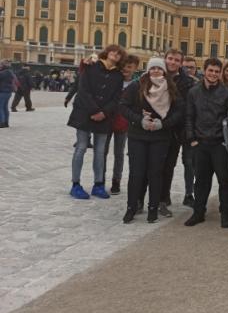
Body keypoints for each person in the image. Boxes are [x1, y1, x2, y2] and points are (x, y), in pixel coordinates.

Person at [119, 57, 184, 224]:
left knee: (156, 173)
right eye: (153, 68)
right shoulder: (137, 85)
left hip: (160, 137)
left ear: (164, 71)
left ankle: (153, 208)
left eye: (159, 68)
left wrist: (163, 123)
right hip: (138, 136)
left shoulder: (171, 87)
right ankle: (131, 207)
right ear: (148, 70)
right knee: (136, 173)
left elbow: (179, 111)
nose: (156, 71)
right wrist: (138, 120)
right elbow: (123, 106)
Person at [67, 45, 126, 199]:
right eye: (113, 51)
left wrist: (104, 113)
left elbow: (116, 98)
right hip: (84, 112)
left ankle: (98, 185)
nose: (115, 54)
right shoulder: (91, 67)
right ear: (107, 52)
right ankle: (75, 184)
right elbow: (83, 90)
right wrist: (94, 111)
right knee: (81, 147)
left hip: (104, 117)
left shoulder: (118, 76)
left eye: (119, 54)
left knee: (100, 151)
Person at [184, 58, 228, 227]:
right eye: (210, 70)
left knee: (225, 180)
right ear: (204, 71)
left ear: (220, 73)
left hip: (220, 143)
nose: (213, 74)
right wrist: (192, 139)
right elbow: (189, 116)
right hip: (200, 143)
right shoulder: (194, 92)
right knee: (201, 180)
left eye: (216, 71)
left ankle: (226, 212)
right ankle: (198, 212)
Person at [157, 49, 196, 216]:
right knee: (160, 165)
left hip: (178, 129)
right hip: (160, 129)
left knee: (177, 164)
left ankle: (179, 196)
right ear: (165, 59)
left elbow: (187, 107)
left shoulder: (188, 82)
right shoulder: (156, 75)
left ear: (181, 63)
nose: (172, 62)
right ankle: (160, 197)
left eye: (176, 60)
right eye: (170, 59)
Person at [106, 54, 140, 194]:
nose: (126, 69)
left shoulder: (137, 85)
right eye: (124, 66)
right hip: (107, 121)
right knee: (102, 152)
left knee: (119, 153)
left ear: (135, 68)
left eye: (129, 67)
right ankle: (99, 180)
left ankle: (116, 180)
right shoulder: (114, 80)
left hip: (124, 123)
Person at [180, 55, 201, 207]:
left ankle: (189, 193)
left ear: (196, 69)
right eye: (185, 67)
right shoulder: (175, 82)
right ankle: (163, 196)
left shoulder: (199, 85)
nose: (188, 70)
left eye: (191, 67)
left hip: (192, 130)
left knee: (190, 163)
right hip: (174, 128)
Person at [0, 60, 15, 128]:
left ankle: (2, 122)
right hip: (8, 92)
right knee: (5, 107)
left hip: (2, 91)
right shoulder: (10, 72)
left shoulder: (2, 73)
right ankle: (6, 122)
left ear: (3, 65)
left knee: (0, 107)